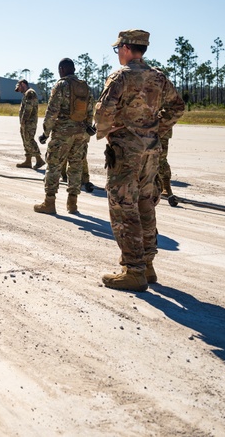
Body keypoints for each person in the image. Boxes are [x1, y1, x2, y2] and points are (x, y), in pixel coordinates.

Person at [94, 30, 184, 292]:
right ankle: (147, 265)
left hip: (126, 152)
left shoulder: (120, 77)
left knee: (124, 207)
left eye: (118, 49)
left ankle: (133, 271)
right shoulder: (158, 77)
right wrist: (155, 129)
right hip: (151, 151)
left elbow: (102, 112)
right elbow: (177, 107)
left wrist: (107, 131)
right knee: (146, 203)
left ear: (125, 48)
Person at [34, 58, 92, 215]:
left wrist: (46, 133)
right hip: (80, 133)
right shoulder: (84, 86)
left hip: (62, 134)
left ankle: (49, 203)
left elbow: (52, 111)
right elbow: (90, 111)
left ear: (62, 69)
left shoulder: (62, 85)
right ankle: (72, 204)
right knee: (76, 167)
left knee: (53, 166)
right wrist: (87, 132)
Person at [15, 79, 44, 169]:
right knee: (25, 140)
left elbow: (28, 109)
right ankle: (28, 161)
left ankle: (39, 160)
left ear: (23, 84)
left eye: (19, 87)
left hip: (29, 122)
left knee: (29, 140)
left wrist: (23, 121)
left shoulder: (30, 93)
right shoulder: (26, 93)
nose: (18, 89)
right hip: (26, 122)